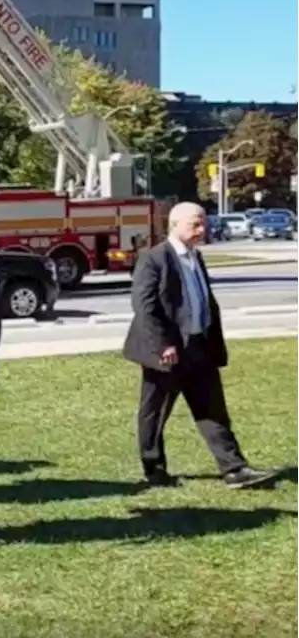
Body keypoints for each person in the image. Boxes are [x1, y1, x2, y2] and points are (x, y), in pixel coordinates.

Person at [121, 202, 276, 490]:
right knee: (155, 411)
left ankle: (234, 468)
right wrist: (163, 345)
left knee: (212, 408)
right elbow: (144, 306)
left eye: (203, 224)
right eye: (195, 224)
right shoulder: (155, 259)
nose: (202, 230)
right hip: (167, 351)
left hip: (198, 346)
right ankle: (154, 469)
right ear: (175, 224)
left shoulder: (195, 257)